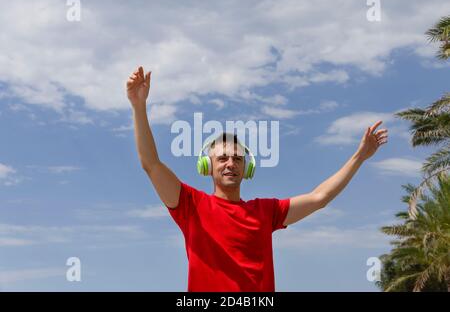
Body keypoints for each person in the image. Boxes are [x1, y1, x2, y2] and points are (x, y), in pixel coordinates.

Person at [126, 66, 388, 292]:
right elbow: (151, 164)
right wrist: (139, 106)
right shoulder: (190, 206)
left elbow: (320, 197)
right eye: (222, 158)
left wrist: (359, 157)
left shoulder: (266, 211)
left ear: (247, 169)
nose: (231, 164)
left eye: (237, 159)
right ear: (207, 166)